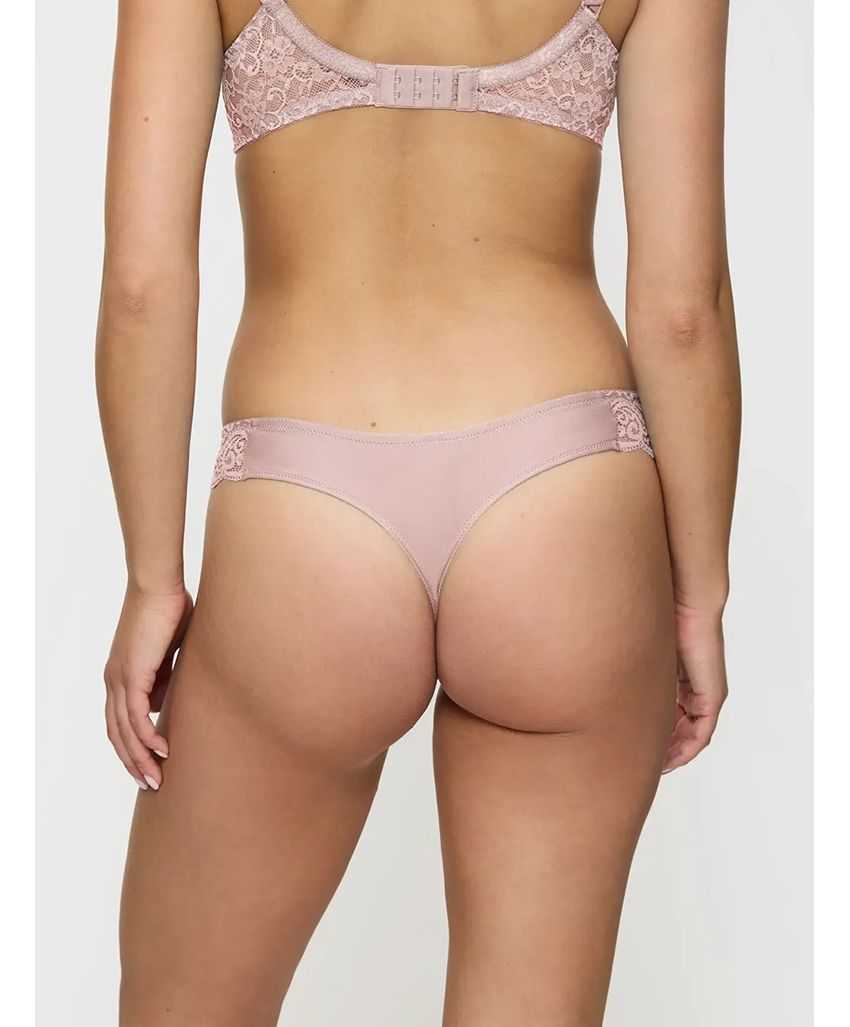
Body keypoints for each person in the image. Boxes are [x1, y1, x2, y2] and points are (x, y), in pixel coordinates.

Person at [96, 1, 740, 1023]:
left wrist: (150, 578)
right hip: (562, 497)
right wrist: (700, 593)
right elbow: (683, 308)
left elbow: (141, 284)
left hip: (306, 503)